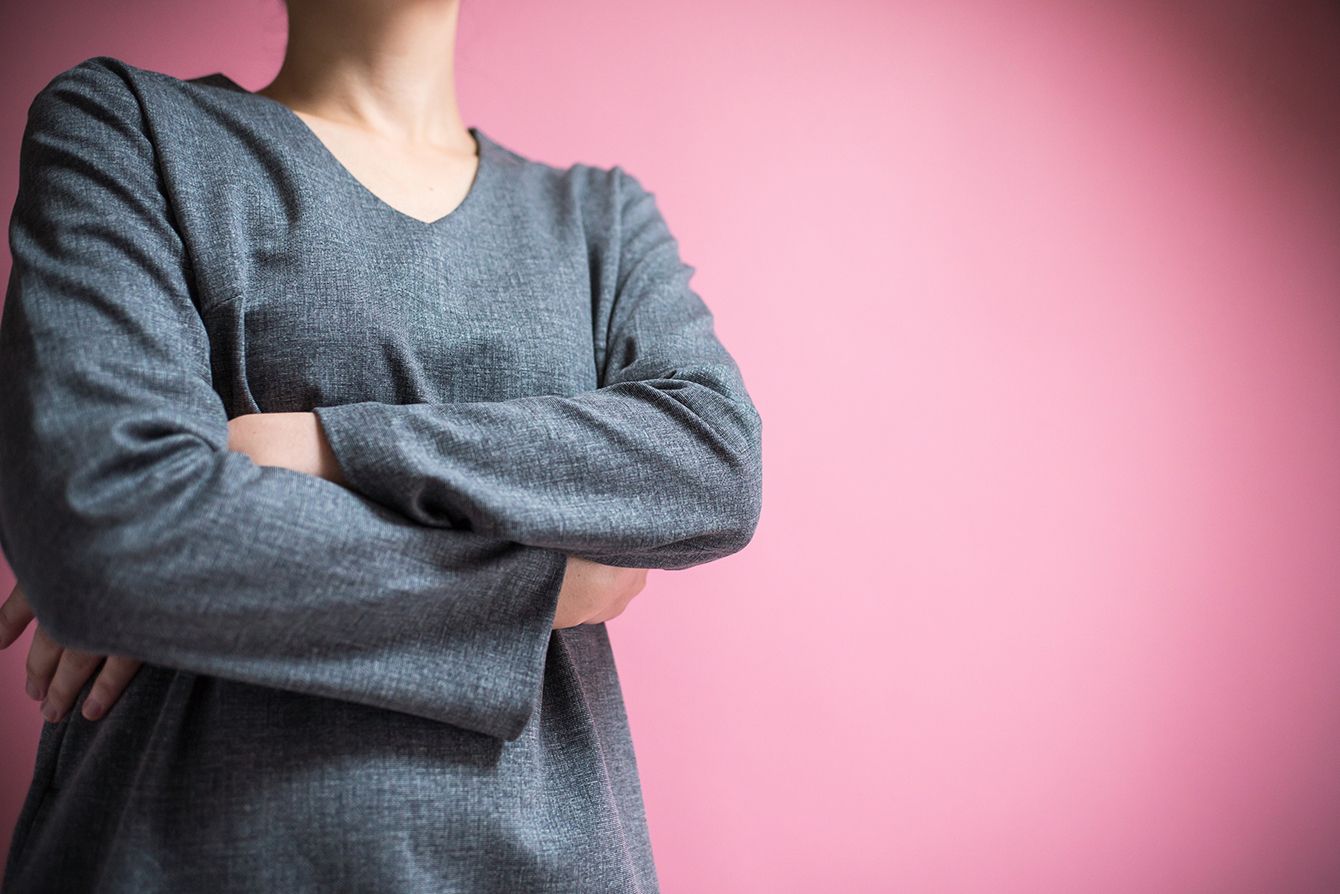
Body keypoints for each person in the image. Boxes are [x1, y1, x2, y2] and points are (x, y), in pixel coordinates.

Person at [0, 0, 763, 890]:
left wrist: (326, 445)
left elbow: (713, 461)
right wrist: (538, 591)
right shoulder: (123, 127)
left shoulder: (602, 217)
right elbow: (111, 532)